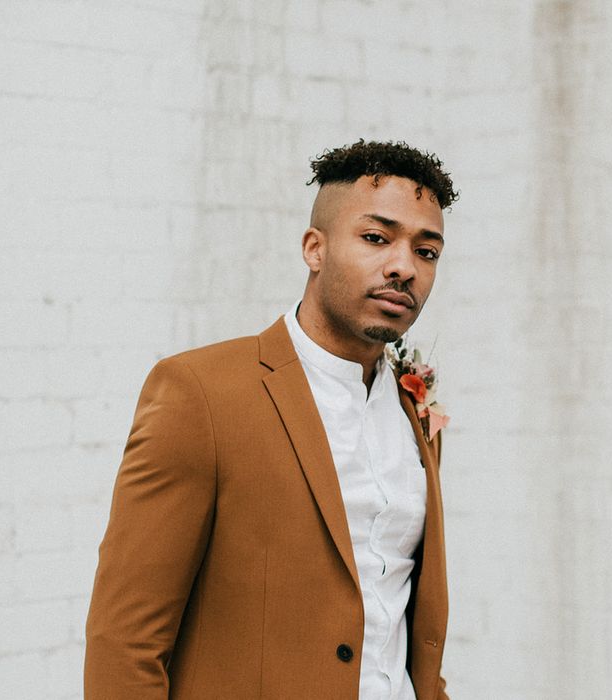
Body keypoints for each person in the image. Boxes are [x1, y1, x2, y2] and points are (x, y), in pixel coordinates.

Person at [84, 139, 457, 699]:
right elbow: (125, 644)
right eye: (376, 238)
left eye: (426, 252)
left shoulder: (413, 409)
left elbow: (400, 616)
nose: (403, 267)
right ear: (314, 248)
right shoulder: (201, 394)